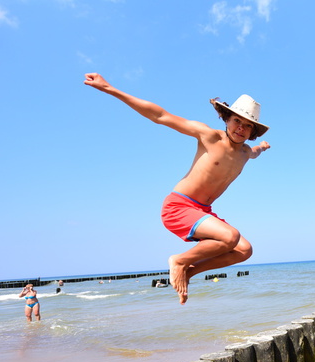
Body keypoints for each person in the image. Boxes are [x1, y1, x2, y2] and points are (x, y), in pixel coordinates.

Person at [84, 73, 271, 304]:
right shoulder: (209, 136)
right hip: (178, 206)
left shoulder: (245, 153)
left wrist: (262, 147)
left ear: (253, 132)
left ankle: (189, 271)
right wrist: (111, 89)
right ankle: (179, 261)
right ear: (226, 119)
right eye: (237, 121)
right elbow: (160, 116)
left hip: (202, 211)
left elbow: (255, 153)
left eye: (247, 126)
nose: (240, 128)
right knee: (230, 237)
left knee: (245, 250)